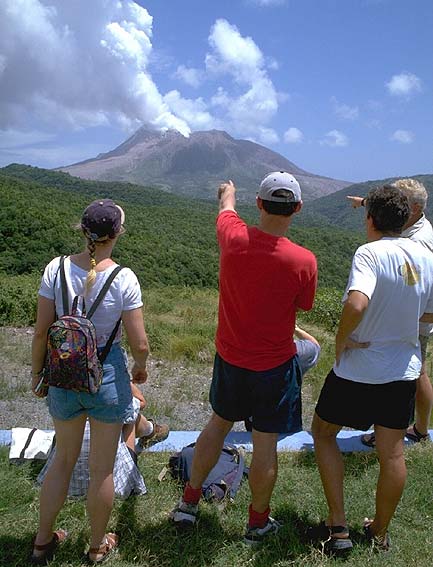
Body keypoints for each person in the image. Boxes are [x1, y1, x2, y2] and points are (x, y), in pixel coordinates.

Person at [170, 171, 317, 545]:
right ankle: (257, 523)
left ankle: (188, 504)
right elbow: (303, 305)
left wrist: (228, 193)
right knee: (266, 443)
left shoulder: (233, 238)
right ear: (297, 208)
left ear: (259, 203)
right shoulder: (304, 261)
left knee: (217, 424)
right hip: (274, 365)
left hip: (231, 359)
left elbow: (225, 208)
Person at [312, 185, 433, 553]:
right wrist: (405, 322)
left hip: (357, 370)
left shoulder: (369, 253)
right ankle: (379, 532)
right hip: (403, 371)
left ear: (370, 219)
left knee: (323, 433)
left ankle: (339, 526)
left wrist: (341, 339)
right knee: (392, 454)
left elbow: (357, 303)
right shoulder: (426, 256)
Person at [30, 199, 149, 564]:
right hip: (107, 379)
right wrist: (140, 368)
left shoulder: (56, 269)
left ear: (83, 231)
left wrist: (38, 375)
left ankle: (42, 542)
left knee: (62, 461)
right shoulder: (124, 278)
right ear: (118, 234)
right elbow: (139, 342)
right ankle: (97, 546)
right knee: (102, 469)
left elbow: (40, 333)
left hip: (63, 375)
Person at [347, 178, 433, 446]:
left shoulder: (421, 244)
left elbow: (414, 291)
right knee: (416, 373)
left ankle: (392, 434)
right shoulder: (408, 221)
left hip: (410, 323)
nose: (395, 206)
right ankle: (418, 429)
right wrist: (365, 203)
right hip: (408, 321)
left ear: (416, 209)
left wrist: (392, 314)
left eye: (400, 202)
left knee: (401, 378)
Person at [244, 324, 321, 431]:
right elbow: (315, 346)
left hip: (255, 419)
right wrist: (296, 329)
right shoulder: (300, 352)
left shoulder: (244, 351)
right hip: (287, 419)